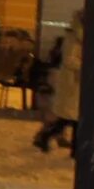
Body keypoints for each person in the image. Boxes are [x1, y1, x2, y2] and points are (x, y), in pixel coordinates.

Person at [32, 21, 77, 152]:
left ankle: (48, 136)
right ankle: (47, 136)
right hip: (69, 82)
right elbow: (70, 61)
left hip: (67, 81)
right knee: (70, 117)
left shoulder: (67, 44)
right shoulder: (73, 42)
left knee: (68, 116)